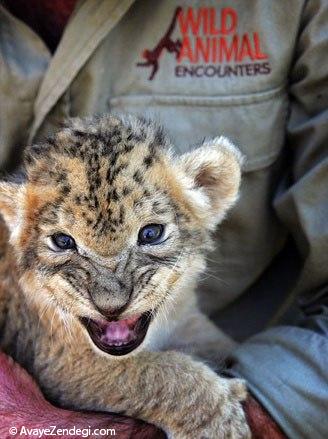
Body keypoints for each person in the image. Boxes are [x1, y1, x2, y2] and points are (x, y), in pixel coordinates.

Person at [0, 1, 327, 438]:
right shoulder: (27, 228)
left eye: (150, 233)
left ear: (209, 189)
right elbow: (76, 368)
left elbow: (191, 337)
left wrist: (258, 412)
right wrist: (201, 405)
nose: (109, 295)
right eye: (64, 242)